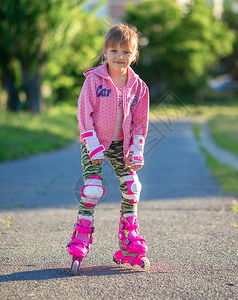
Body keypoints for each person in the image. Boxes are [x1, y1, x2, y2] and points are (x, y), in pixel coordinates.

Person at [67, 23, 150, 275]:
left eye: (126, 52)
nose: (120, 57)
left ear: (134, 55)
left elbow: (139, 121)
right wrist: (91, 144)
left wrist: (137, 149)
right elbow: (84, 115)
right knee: (92, 189)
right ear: (105, 52)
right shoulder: (94, 80)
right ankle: (81, 236)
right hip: (94, 143)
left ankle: (128, 240)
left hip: (121, 146)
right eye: (114, 51)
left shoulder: (139, 87)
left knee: (133, 188)